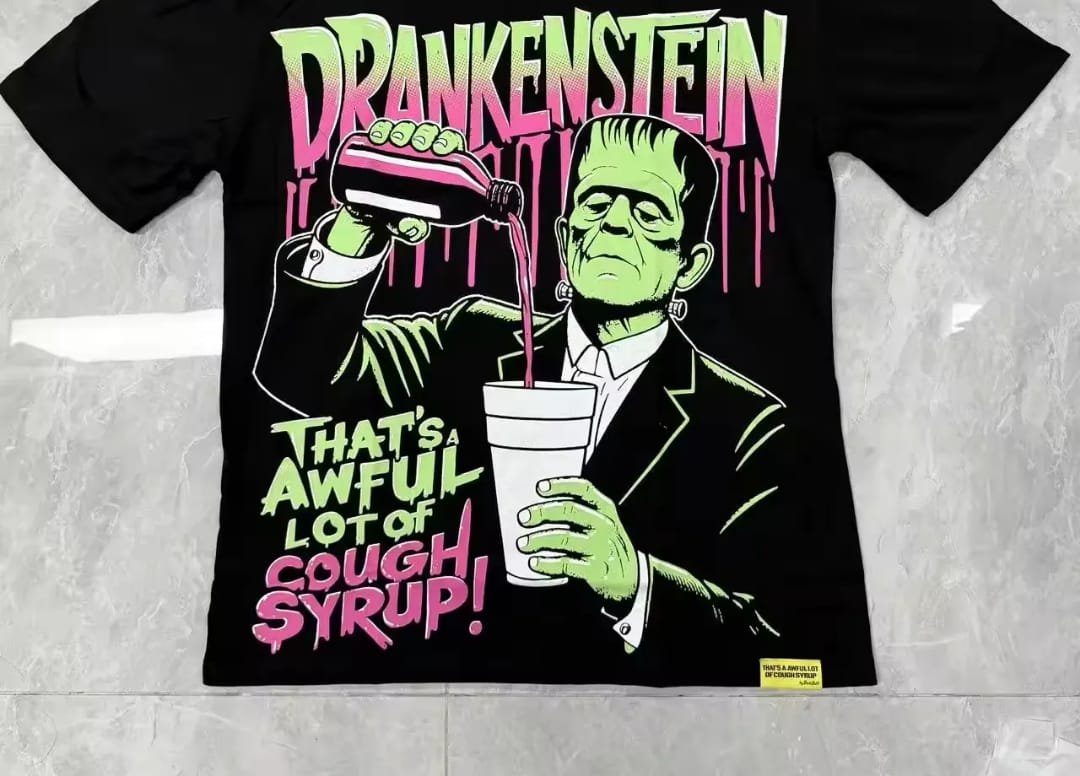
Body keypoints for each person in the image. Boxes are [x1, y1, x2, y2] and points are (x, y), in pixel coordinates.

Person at [254, 113, 801, 679]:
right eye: (596, 203)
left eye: (648, 212)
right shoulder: (472, 336)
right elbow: (302, 374)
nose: (614, 224)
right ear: (564, 239)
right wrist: (358, 224)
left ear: (689, 264)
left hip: (628, 700)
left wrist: (634, 581)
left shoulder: (748, 422)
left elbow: (778, 633)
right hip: (446, 670)